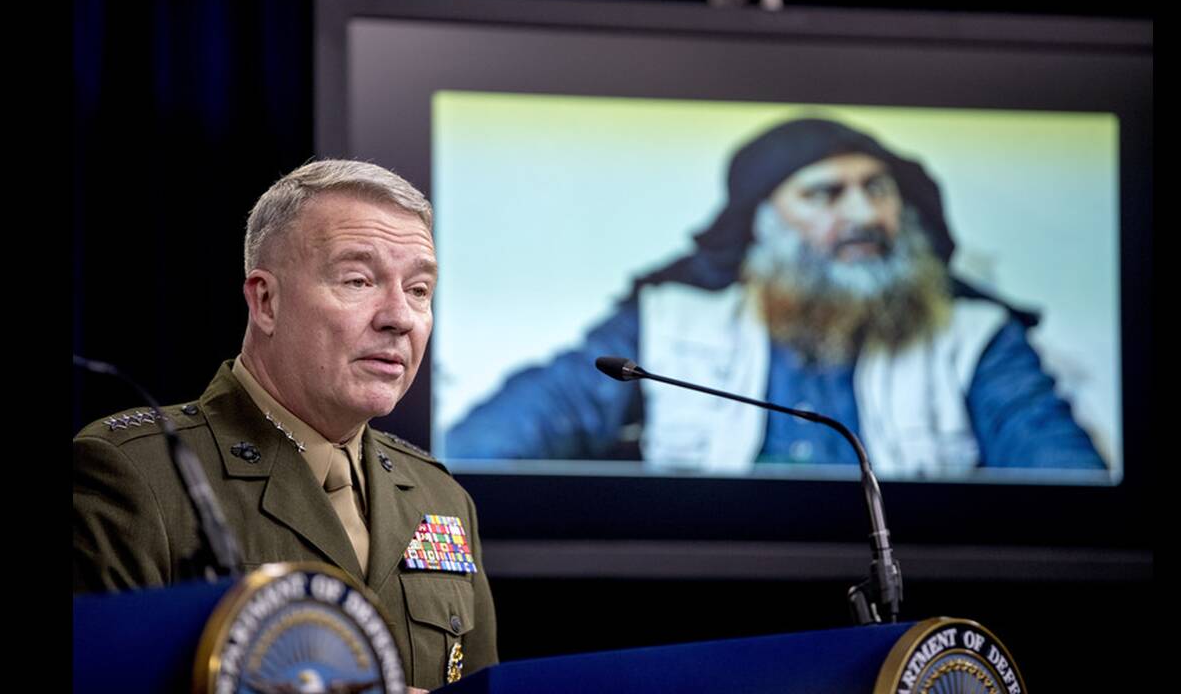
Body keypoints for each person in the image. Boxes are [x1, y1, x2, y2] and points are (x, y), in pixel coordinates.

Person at [445, 118, 1107, 477]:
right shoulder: (668, 319)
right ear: (763, 222)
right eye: (826, 194)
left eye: (878, 189)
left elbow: (1064, 483)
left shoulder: (974, 337)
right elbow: (509, 433)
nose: (865, 214)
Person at [73, 160, 497, 690]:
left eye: (418, 290)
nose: (400, 317)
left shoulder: (441, 497)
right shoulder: (135, 475)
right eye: (358, 280)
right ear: (266, 301)